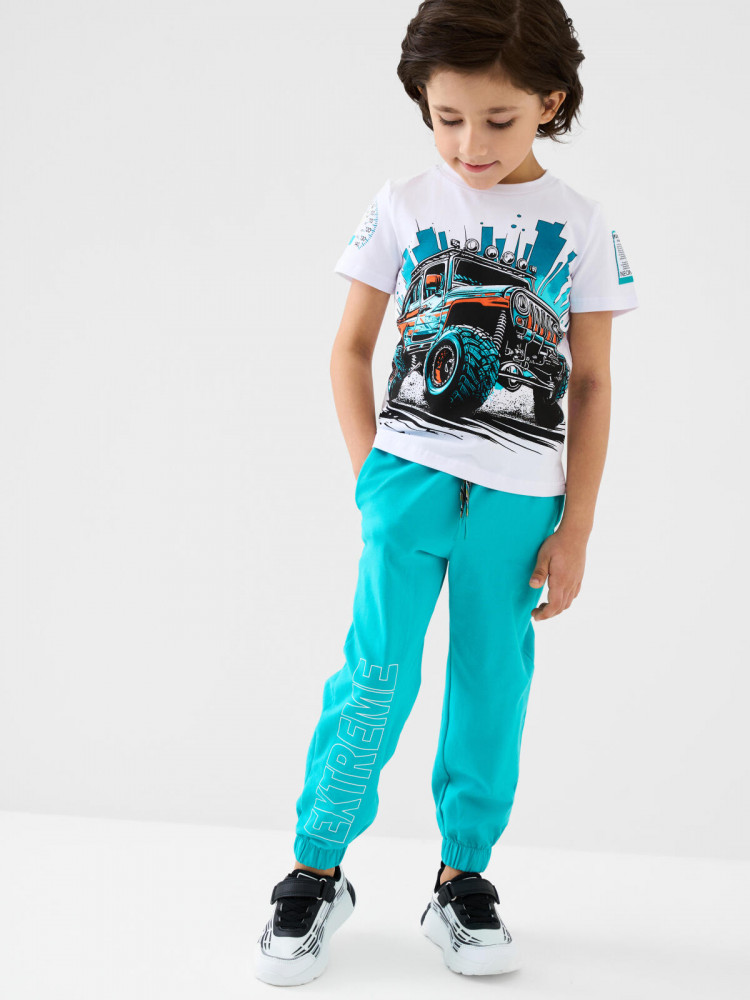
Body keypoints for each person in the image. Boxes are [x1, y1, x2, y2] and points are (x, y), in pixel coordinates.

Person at [254, 0, 639, 985]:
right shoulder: (402, 205)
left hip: (520, 504)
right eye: (447, 118)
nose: (471, 144)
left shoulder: (582, 224)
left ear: (551, 103)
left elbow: (593, 383)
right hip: (409, 485)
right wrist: (372, 479)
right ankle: (315, 869)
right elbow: (349, 348)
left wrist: (577, 527)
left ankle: (462, 878)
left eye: (499, 120)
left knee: (492, 685)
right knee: (375, 677)